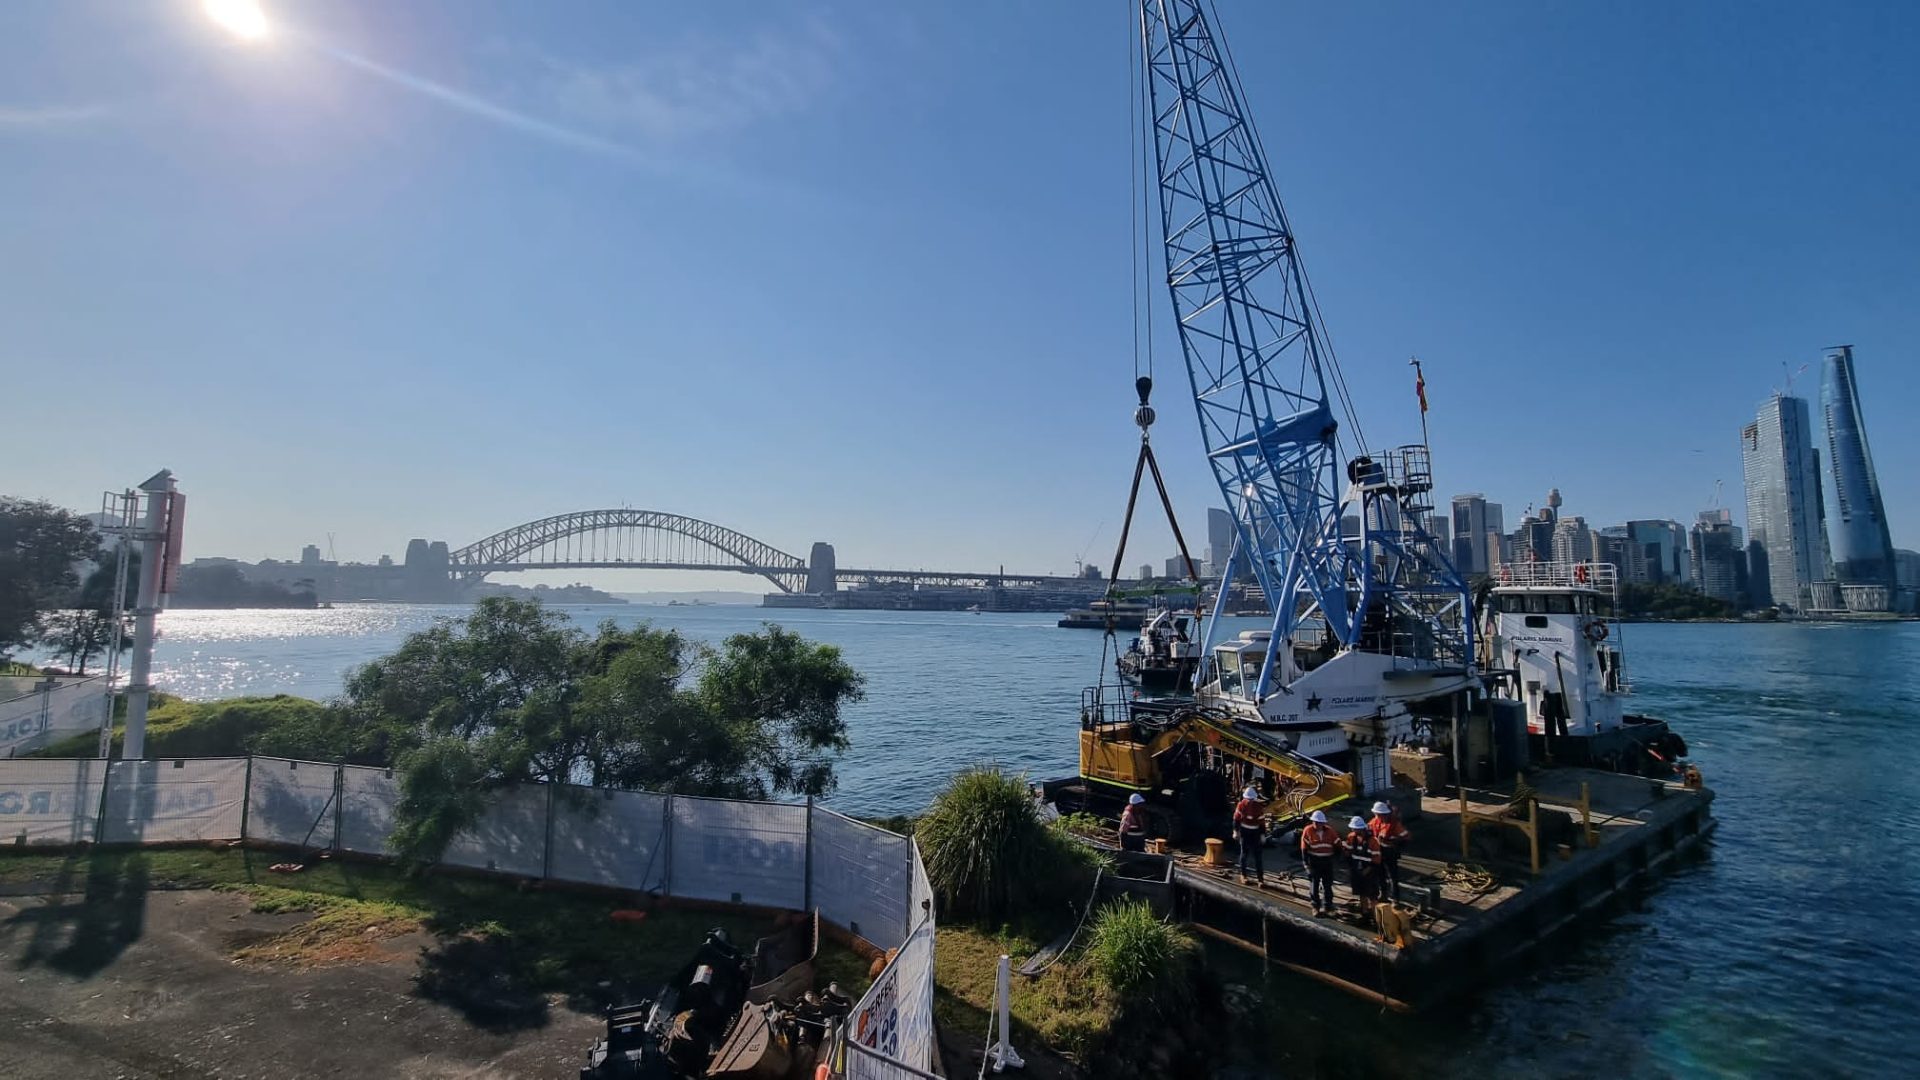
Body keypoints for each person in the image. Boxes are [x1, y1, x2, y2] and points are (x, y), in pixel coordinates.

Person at [1369, 800, 1411, 903]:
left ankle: (1395, 898)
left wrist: (1391, 841)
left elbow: (1406, 837)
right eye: (1377, 814)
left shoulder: (1395, 825)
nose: (1378, 816)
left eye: (1380, 815)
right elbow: (1368, 832)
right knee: (1380, 875)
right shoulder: (1374, 822)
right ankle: (1383, 895)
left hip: (1390, 852)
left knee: (1393, 876)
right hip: (1379, 852)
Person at [1299, 809, 1339, 915]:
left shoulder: (1330, 831)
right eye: (1315, 822)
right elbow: (1304, 848)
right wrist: (1306, 864)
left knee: (1328, 885)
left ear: (1323, 823)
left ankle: (1328, 906)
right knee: (1314, 884)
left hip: (1327, 861)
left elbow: (1337, 844)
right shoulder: (1308, 831)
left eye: (1319, 822)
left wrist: (1337, 858)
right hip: (1314, 861)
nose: (1317, 824)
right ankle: (1315, 906)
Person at [1232, 786, 1268, 884]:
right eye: (1248, 799)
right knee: (1244, 854)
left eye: (1251, 800)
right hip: (1245, 831)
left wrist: (1262, 835)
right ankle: (1243, 875)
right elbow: (1236, 819)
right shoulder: (1241, 805)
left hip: (1255, 832)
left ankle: (1260, 879)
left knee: (1258, 856)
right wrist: (1236, 831)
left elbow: (1261, 822)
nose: (1250, 801)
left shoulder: (1258, 807)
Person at [1343, 814, 1379, 912]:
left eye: (1356, 829)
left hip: (1370, 871)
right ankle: (1365, 912)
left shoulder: (1373, 841)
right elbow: (1347, 853)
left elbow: (1376, 859)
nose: (1354, 831)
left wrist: (1367, 870)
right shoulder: (1351, 838)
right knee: (1362, 893)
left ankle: (1375, 914)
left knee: (1372, 894)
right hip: (1357, 870)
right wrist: (1351, 868)